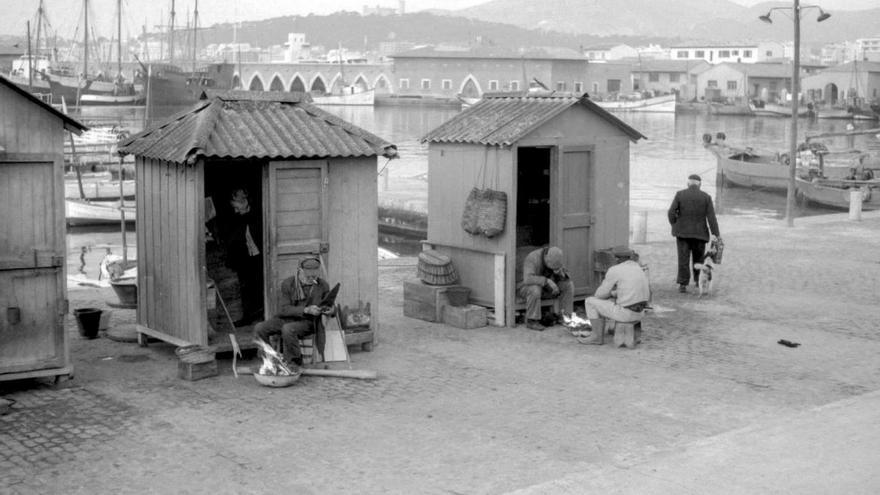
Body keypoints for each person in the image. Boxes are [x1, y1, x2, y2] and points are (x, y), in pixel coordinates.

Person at [254, 258, 331, 369]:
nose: (311, 279)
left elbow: (330, 306)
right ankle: (269, 359)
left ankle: (294, 362)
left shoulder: (322, 285)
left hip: (308, 322)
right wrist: (306, 309)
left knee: (288, 329)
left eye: (314, 276)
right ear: (300, 271)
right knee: (260, 328)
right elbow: (284, 309)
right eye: (308, 276)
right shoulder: (288, 284)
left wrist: (330, 310)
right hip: (287, 319)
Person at [577, 249, 650, 345]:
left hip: (626, 314)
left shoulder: (615, 269)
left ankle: (596, 336)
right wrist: (614, 293)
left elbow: (599, 295)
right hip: (640, 313)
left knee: (590, 301)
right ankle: (612, 328)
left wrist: (610, 293)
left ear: (617, 259)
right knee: (616, 300)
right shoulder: (638, 267)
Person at [667, 174, 720, 293]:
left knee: (683, 259)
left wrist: (675, 224)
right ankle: (697, 281)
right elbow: (711, 218)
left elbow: (671, 212)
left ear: (688, 183)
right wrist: (716, 234)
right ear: (700, 184)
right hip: (700, 234)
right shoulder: (706, 197)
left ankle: (683, 284)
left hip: (682, 233)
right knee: (699, 258)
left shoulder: (680, 194)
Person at [224, 188, 264, 326]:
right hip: (245, 259)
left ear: (244, 202)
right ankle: (247, 317)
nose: (235, 211)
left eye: (236, 207)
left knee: (260, 285)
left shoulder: (259, 213)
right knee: (246, 288)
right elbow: (232, 241)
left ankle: (262, 314)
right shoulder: (236, 219)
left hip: (260, 257)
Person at [517, 246, 573, 331]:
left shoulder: (557, 258)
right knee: (535, 289)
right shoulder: (533, 258)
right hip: (524, 287)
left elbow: (567, 277)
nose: (553, 269)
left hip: (545, 288)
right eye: (552, 267)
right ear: (546, 258)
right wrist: (547, 281)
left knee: (568, 285)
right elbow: (527, 279)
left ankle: (565, 316)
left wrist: (560, 273)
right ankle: (532, 320)